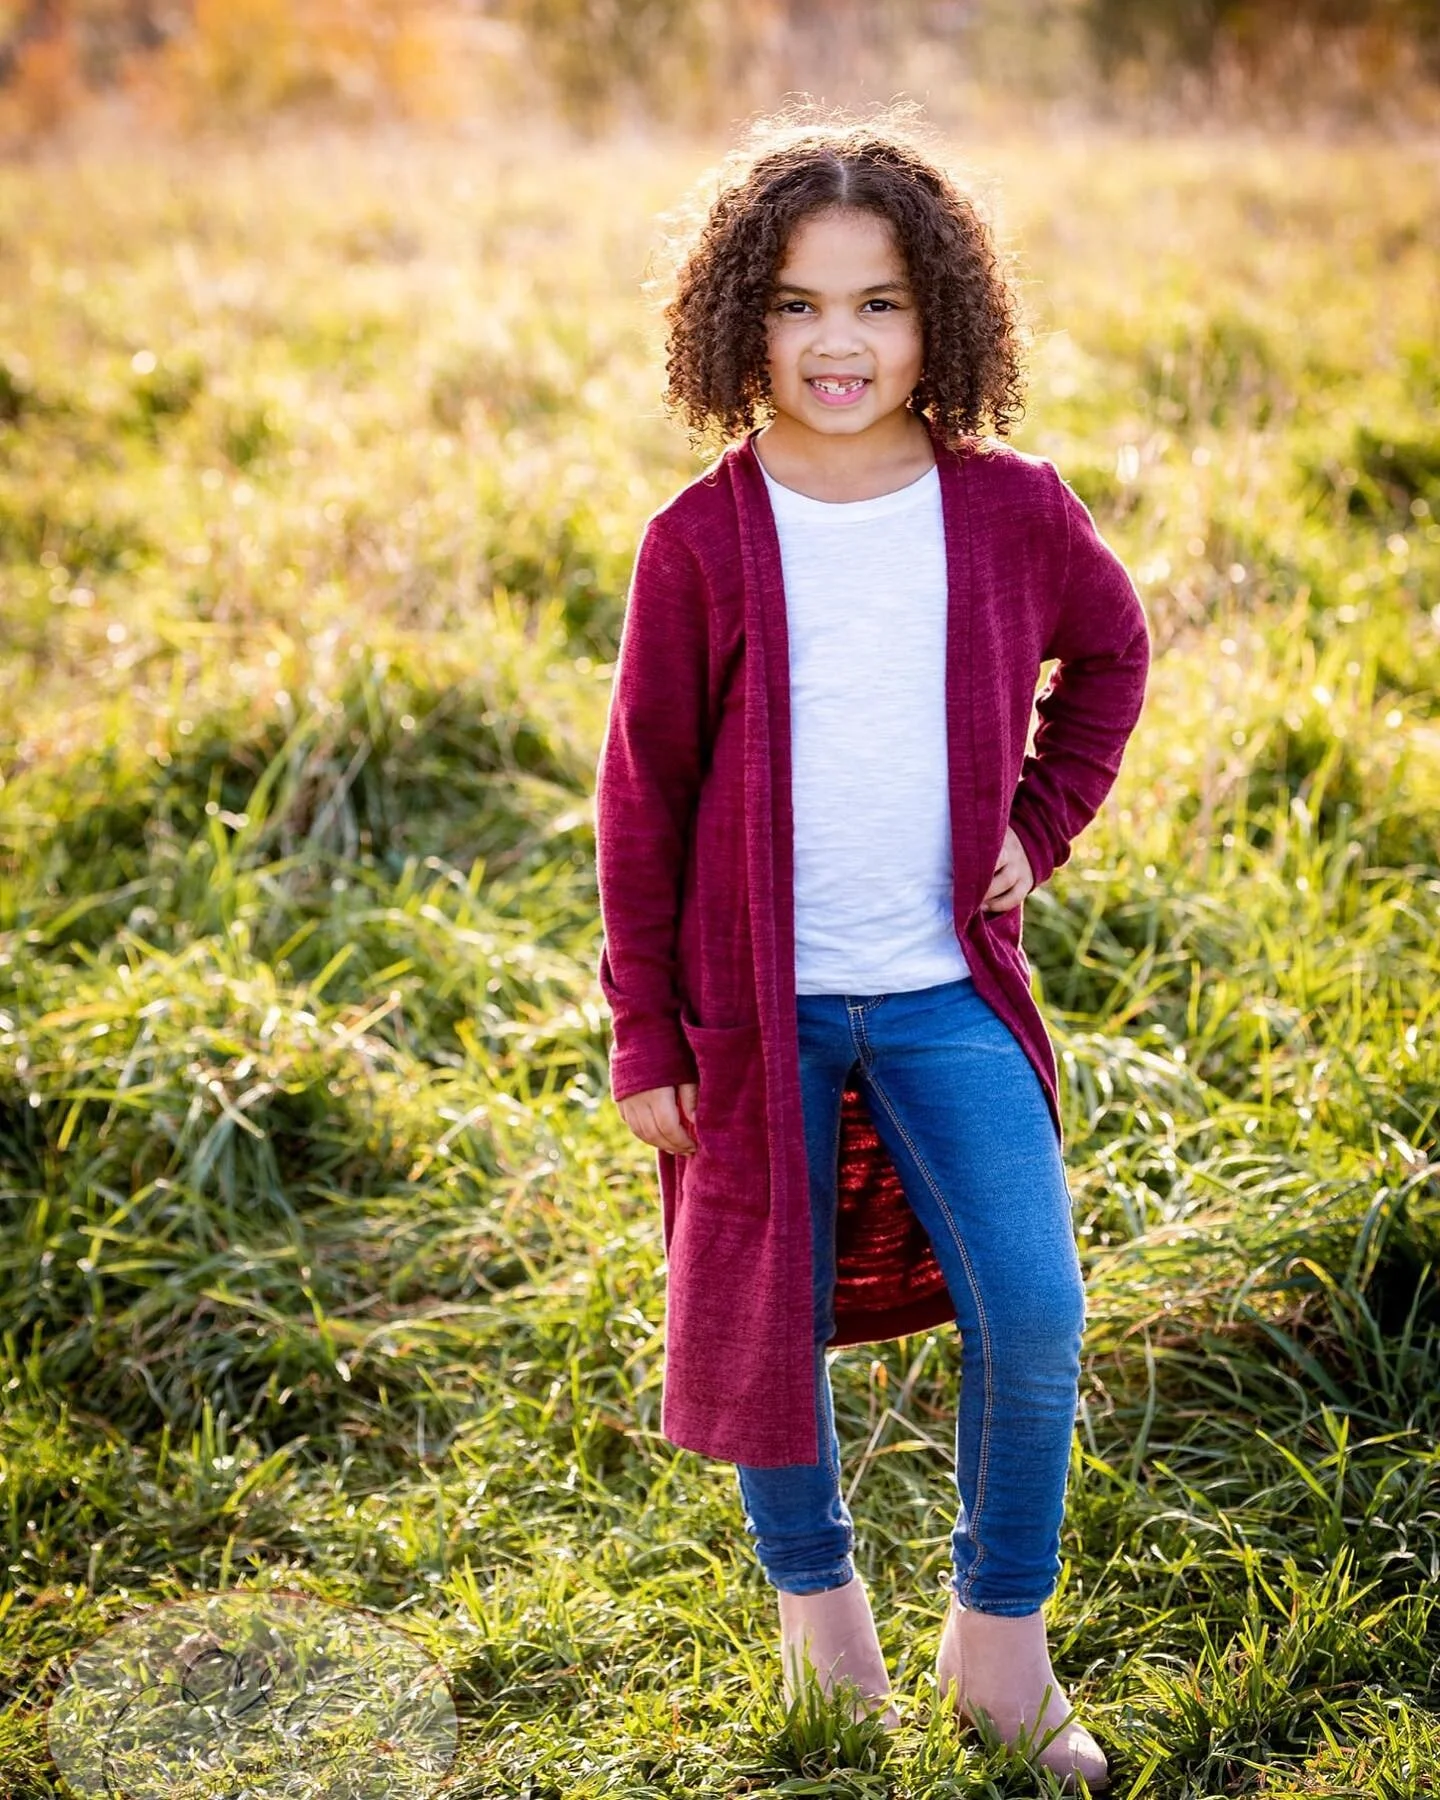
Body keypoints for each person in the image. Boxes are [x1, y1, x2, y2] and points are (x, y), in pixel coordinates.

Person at [594, 102, 1149, 1793]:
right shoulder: (702, 540)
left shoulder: (1007, 511)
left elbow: (1111, 660)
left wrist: (1030, 834)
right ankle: (821, 1627)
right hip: (752, 1014)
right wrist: (647, 1038)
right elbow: (642, 799)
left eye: (881, 303)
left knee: (1036, 1309)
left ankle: (1000, 1647)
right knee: (765, 1321)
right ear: (734, 323)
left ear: (946, 319)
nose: (840, 344)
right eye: (796, 305)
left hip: (939, 993)